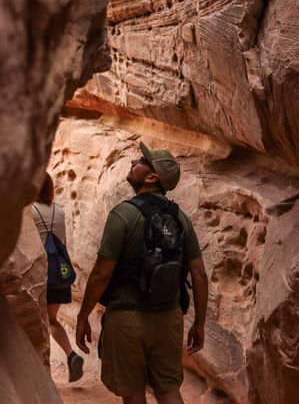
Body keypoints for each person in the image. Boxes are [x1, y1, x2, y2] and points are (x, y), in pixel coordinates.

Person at [76, 142, 208, 404]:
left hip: (127, 319)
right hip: (169, 319)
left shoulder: (123, 214)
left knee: (134, 392)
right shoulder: (181, 218)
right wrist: (200, 323)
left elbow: (102, 273)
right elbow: (199, 274)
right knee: (168, 389)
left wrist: (83, 315)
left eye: (140, 161)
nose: (132, 163)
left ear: (151, 177)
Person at [32, 172, 84, 383]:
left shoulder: (29, 212)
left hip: (38, 275)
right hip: (59, 275)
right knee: (52, 320)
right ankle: (71, 354)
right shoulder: (60, 212)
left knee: (36, 324)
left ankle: (43, 377)